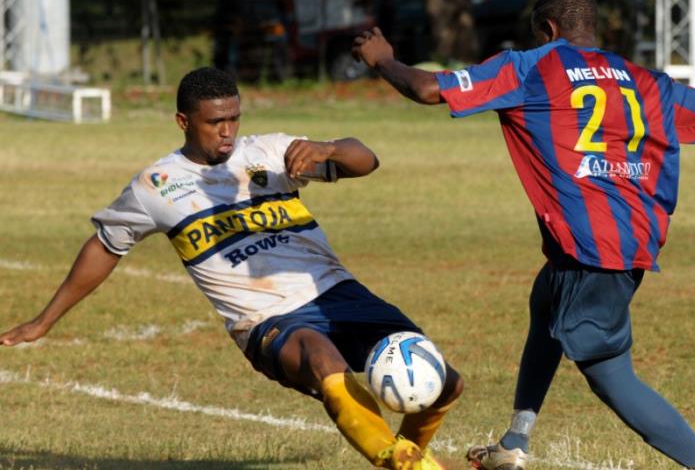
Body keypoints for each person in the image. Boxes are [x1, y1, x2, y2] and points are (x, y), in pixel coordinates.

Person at [352, 0, 695, 470]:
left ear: (549, 29)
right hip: (627, 235)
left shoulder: (529, 66)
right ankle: (514, 444)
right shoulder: (643, 78)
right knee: (547, 298)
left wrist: (384, 60)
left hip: (596, 248)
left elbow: (428, 89)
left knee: (609, 375)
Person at [0, 67, 462, 470]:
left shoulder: (270, 152)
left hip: (338, 292)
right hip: (268, 321)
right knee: (325, 364)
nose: (228, 131)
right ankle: (412, 466)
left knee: (445, 383)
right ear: (184, 122)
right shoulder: (155, 187)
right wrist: (43, 321)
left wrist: (329, 148)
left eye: (234, 119)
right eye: (215, 122)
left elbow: (367, 161)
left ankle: (406, 459)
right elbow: (104, 247)